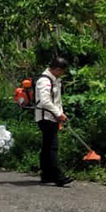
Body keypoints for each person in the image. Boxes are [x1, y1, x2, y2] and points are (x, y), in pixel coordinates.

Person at [34, 58, 71, 187]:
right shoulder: (44, 81)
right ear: (57, 69)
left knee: (46, 147)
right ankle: (58, 176)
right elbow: (45, 101)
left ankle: (46, 175)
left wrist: (60, 113)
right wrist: (58, 113)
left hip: (52, 117)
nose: (62, 74)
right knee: (52, 147)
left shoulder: (54, 80)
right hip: (46, 118)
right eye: (62, 71)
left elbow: (56, 100)